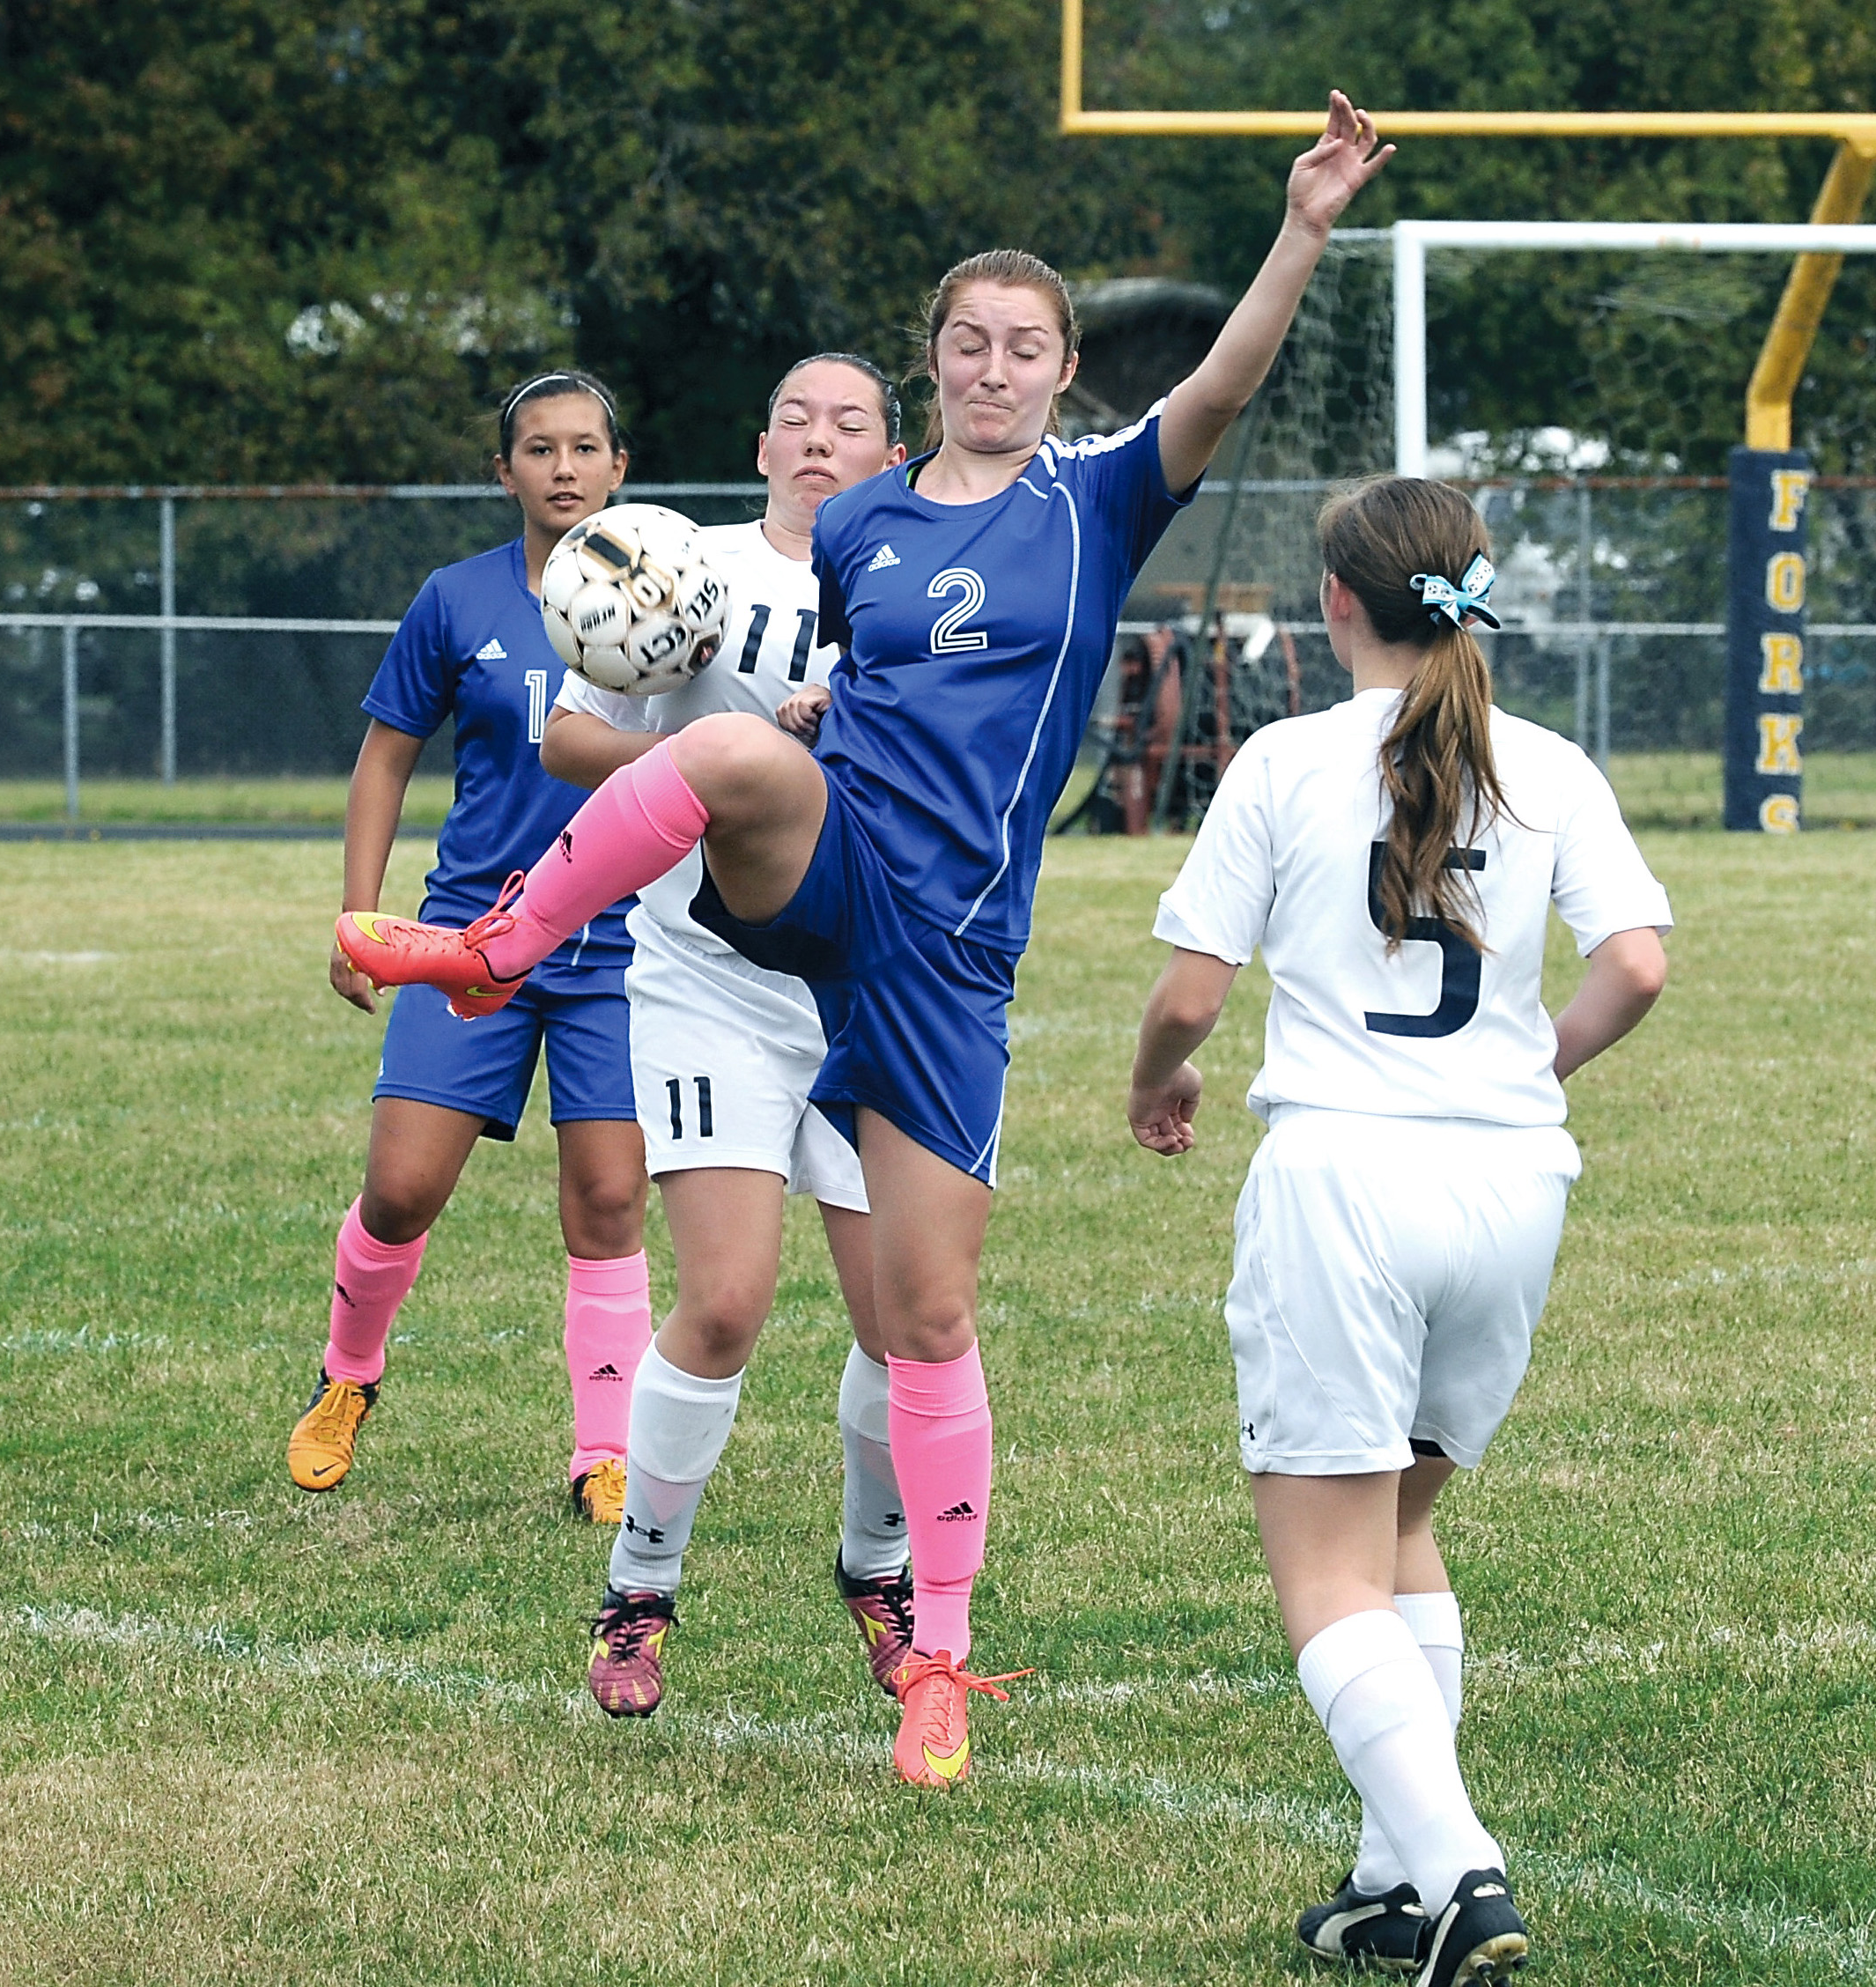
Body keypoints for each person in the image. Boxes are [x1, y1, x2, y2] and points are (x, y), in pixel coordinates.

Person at [332, 92, 1394, 1786]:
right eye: (967, 342)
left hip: (956, 955)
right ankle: (497, 947)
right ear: (939, 360)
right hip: (833, 872)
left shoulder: (1100, 501)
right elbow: (839, 694)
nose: (994, 366)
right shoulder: (866, 521)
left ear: (1059, 372)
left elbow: (1230, 379)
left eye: (1024, 345)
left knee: (928, 1313)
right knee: (742, 750)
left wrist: (1306, 226)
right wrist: (817, 703)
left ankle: (936, 1658)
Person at [1125, 478, 1671, 1983]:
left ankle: (1463, 1876)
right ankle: (1391, 1884)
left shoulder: (1289, 760)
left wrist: (1157, 1079)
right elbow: (1636, 964)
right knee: (1403, 1524)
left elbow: (1187, 996)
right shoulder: (1548, 760)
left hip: (1346, 1183)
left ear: (1337, 606)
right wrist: (1528, 1067)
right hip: (1510, 1188)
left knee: (1326, 1573)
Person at [536, 353, 913, 1717]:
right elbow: (568, 738)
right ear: (761, 446)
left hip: (872, 986)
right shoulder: (680, 568)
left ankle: (877, 1571)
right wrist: (714, 775)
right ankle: (640, 1588)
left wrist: (843, 727)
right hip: (709, 981)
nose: (821, 440)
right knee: (727, 1298)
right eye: (798, 419)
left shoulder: (923, 585)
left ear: (894, 450)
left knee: (897, 1322)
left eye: (851, 422)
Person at [292, 371, 652, 1525]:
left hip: (620, 950)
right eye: (537, 449)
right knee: (400, 1191)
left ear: (618, 468)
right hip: (468, 943)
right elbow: (385, 757)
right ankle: (347, 1378)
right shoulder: (456, 599)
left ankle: (606, 1453)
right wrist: (362, 916)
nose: (562, 466)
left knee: (607, 1199)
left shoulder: (673, 602)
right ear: (505, 474)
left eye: (584, 447)